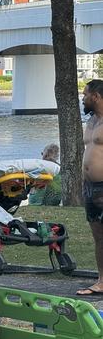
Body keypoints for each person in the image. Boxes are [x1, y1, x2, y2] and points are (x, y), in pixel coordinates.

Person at [77, 79, 103, 296]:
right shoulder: (92, 121)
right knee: (98, 236)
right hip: (90, 187)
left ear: (96, 96)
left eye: (85, 94)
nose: (82, 98)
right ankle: (102, 281)